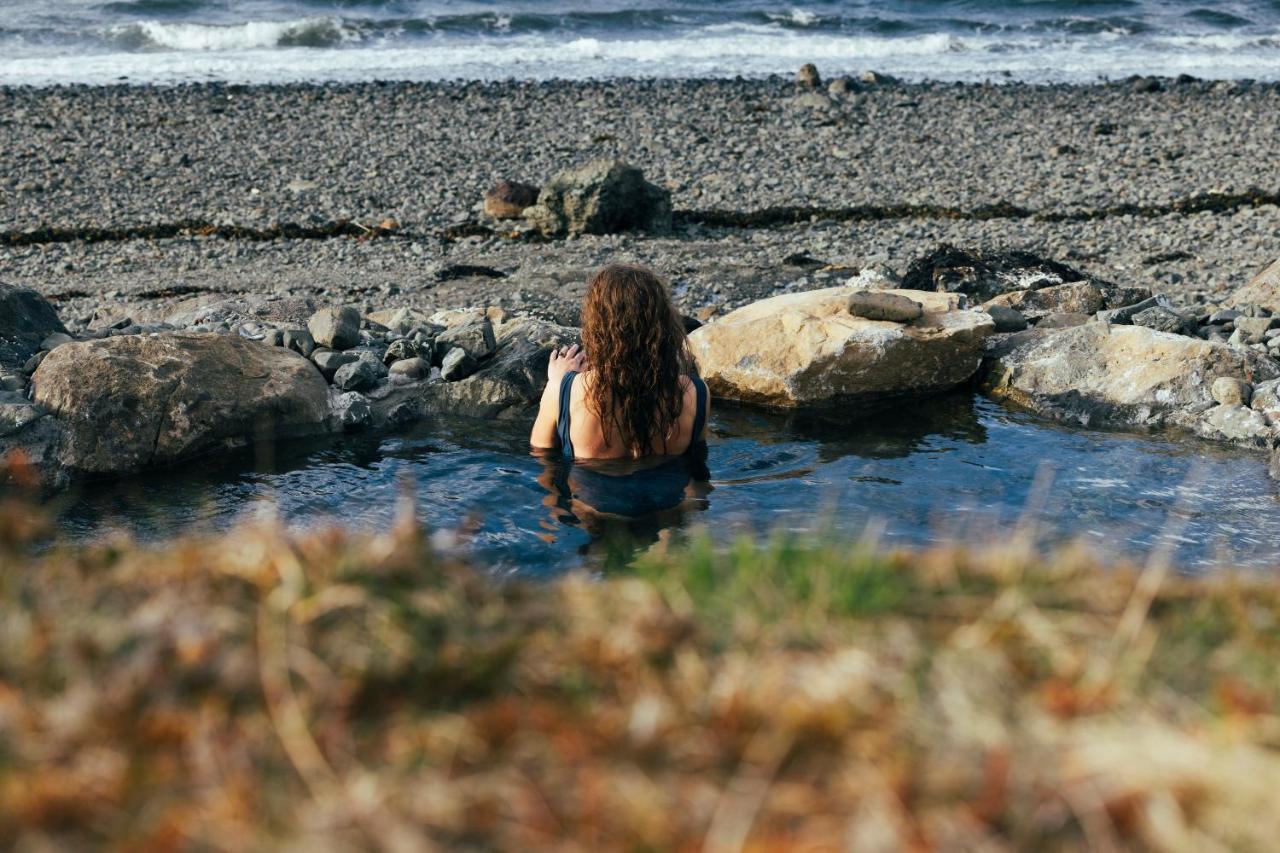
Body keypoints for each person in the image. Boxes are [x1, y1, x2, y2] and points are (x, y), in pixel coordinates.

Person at [530, 263, 711, 525]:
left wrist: (557, 381)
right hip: (666, 516)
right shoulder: (695, 393)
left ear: (597, 326)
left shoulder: (564, 392)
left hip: (591, 517)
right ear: (662, 324)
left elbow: (542, 457)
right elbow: (698, 474)